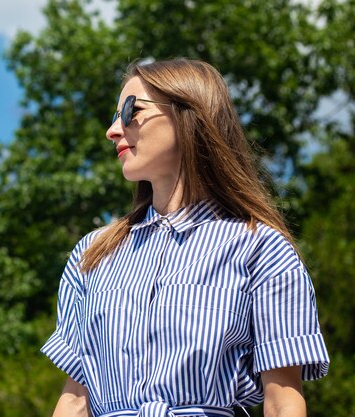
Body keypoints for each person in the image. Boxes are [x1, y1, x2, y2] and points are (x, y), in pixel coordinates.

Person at [40, 58, 329, 417]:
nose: (113, 130)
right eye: (113, 116)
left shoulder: (261, 249)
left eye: (131, 111)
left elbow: (282, 402)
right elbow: (75, 401)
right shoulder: (93, 254)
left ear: (188, 114)